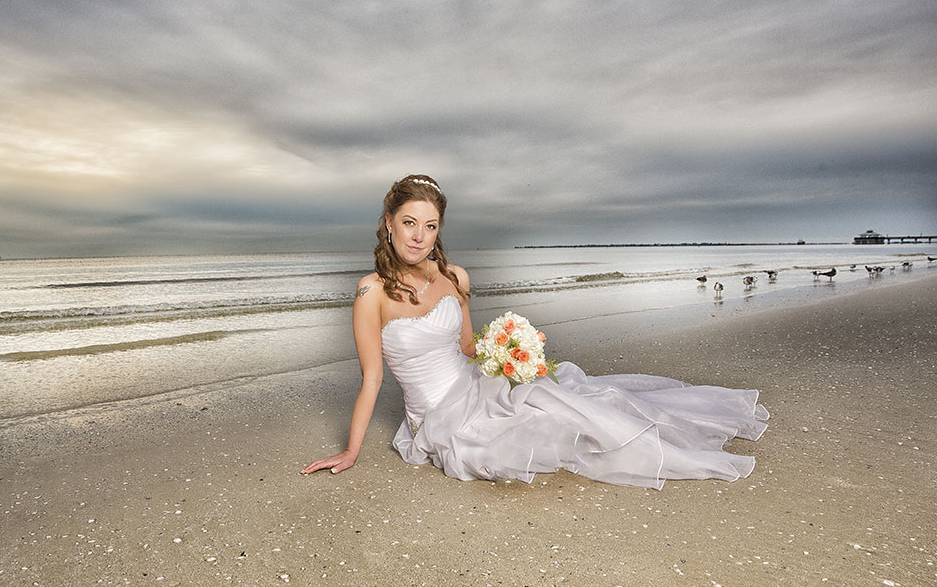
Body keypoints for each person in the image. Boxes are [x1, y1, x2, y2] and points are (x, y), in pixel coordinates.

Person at [301, 175, 768, 489]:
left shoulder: (455, 277)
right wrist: (351, 451)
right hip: (437, 417)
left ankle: (658, 433)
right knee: (545, 429)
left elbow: (466, 347)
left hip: (474, 385)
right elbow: (373, 379)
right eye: (408, 223)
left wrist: (510, 354)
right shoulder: (371, 292)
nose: (419, 236)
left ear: (439, 229)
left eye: (430, 226)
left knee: (566, 403)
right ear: (389, 223)